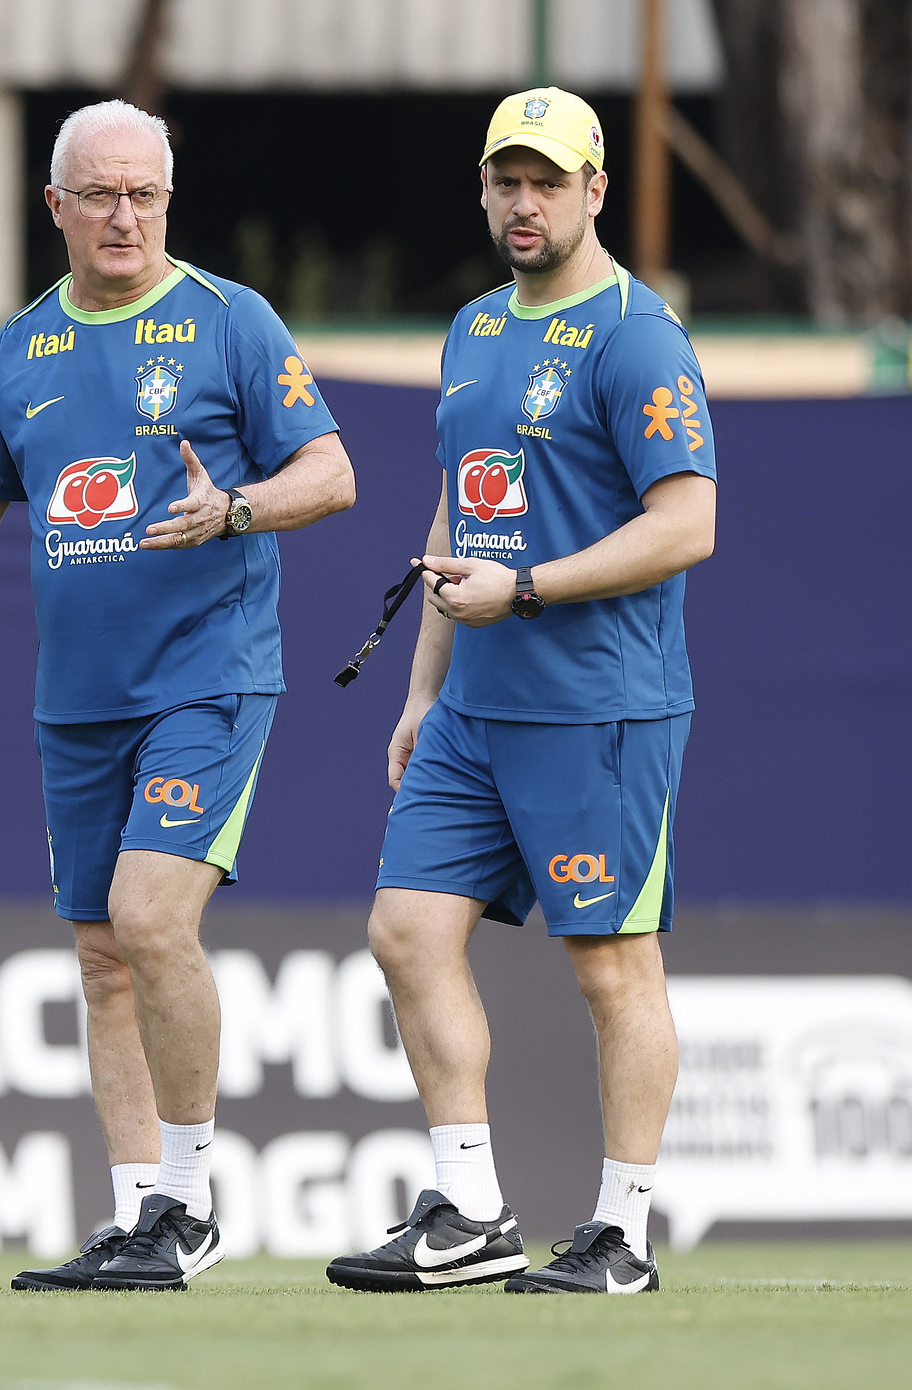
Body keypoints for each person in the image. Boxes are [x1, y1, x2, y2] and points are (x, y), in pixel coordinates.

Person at [0, 99, 355, 1291]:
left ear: (166, 200)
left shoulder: (229, 322)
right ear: (53, 206)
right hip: (78, 699)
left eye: (144, 194)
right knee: (102, 958)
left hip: (207, 674)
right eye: (98, 194)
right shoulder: (23, 346)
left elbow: (332, 471)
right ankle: (133, 1215)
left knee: (151, 919)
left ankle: (189, 1203)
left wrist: (237, 507)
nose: (123, 216)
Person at [325, 88, 716, 1295]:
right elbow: (458, 508)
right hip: (472, 708)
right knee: (403, 931)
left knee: (610, 967)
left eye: (547, 180)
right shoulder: (473, 329)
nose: (523, 200)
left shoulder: (634, 333)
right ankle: (470, 1210)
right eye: (505, 178)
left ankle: (622, 1235)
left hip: (599, 704)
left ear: (595, 190)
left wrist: (531, 587)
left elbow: (688, 523)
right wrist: (418, 689)